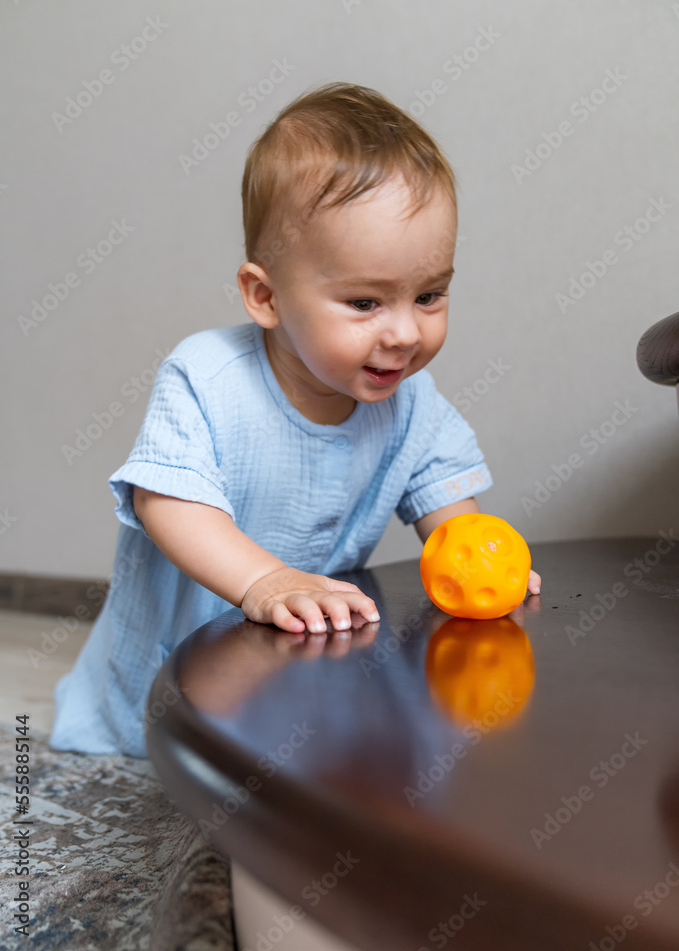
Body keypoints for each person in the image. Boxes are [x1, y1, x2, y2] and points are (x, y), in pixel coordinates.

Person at [49, 81, 541, 757]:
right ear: (265, 295)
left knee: (288, 770)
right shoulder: (207, 378)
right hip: (168, 671)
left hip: (289, 661)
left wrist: (481, 559)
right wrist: (264, 581)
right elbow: (166, 500)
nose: (403, 332)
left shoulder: (411, 405)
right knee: (165, 766)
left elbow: (447, 502)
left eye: (429, 295)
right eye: (365, 302)